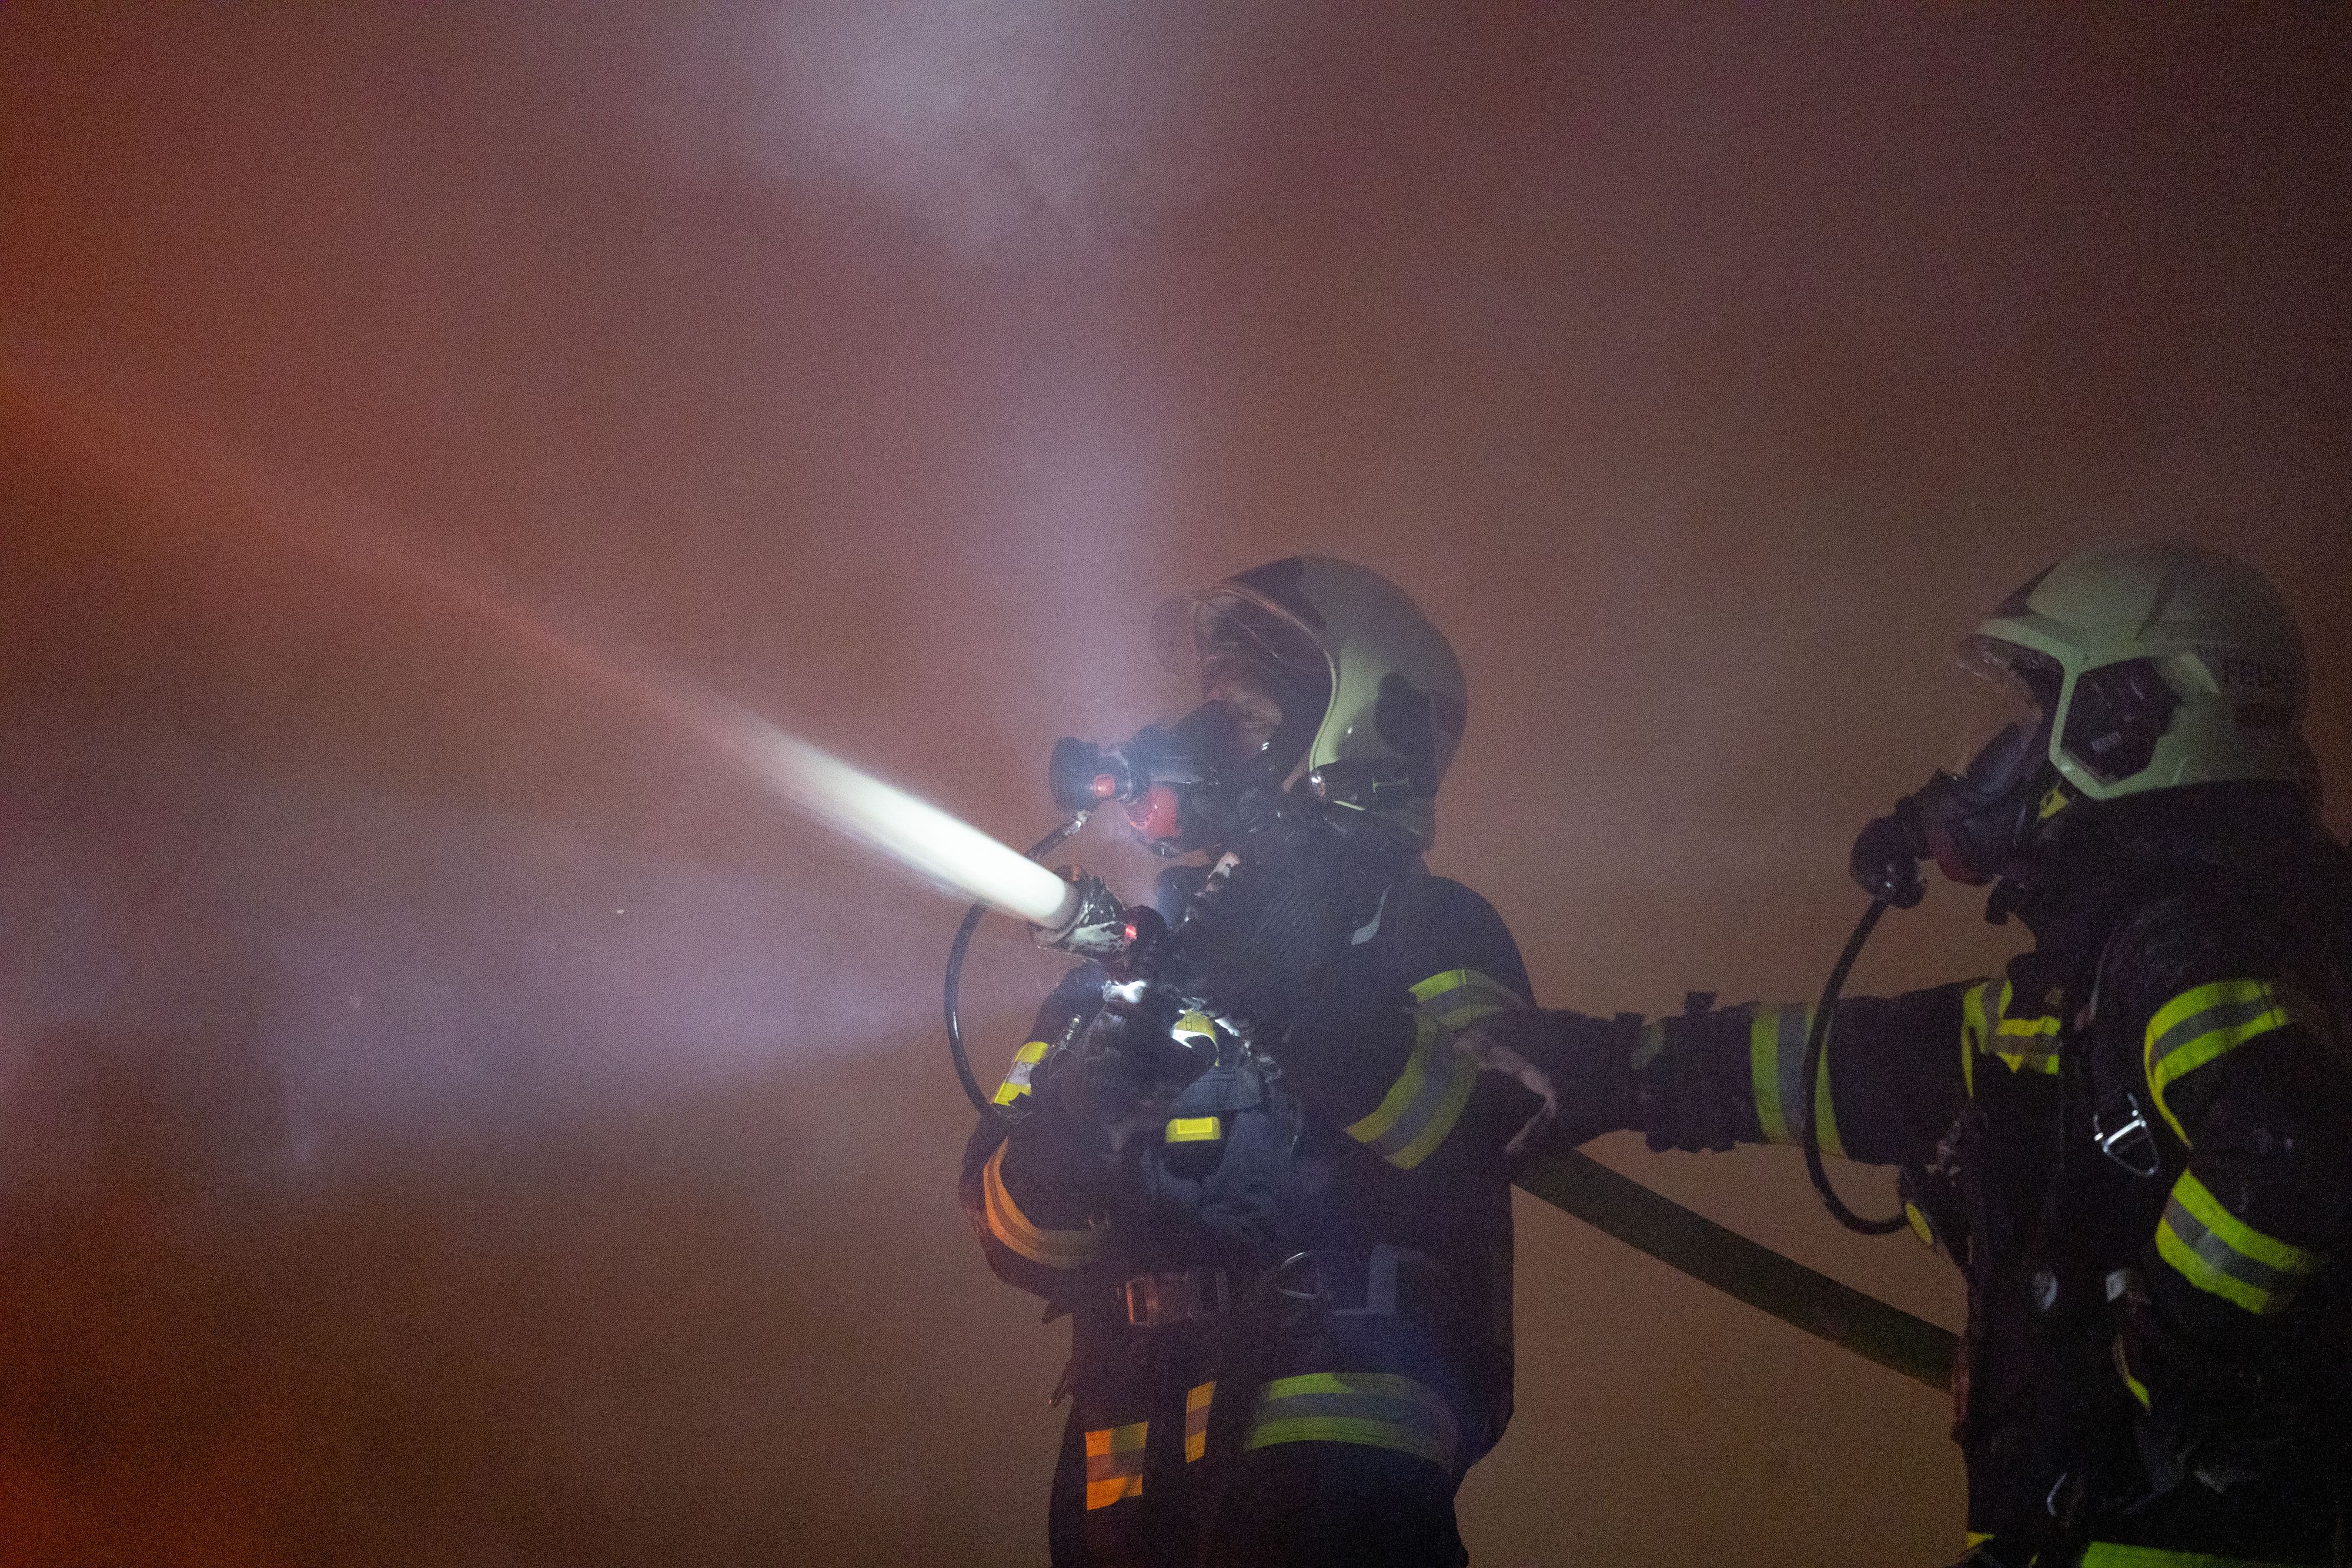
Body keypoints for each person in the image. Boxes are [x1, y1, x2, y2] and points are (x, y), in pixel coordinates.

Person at [1486, 541, 2352, 1566]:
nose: (1999, 762)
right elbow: (1884, 1063)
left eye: (2035, 721)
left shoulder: (2186, 947)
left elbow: (2285, 1150)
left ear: (2130, 725)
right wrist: (1625, 1070)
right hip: (2091, 1527)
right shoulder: (2118, 969)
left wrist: (2170, 1354)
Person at [958, 557, 1554, 1567]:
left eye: (1238, 715)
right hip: (1124, 1476)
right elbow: (1010, 1236)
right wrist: (1072, 1125)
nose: (1192, 741)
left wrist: (1293, 997)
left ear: (1352, 725)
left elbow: (1482, 1128)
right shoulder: (1133, 963)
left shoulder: (1423, 925)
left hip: (1336, 1466)